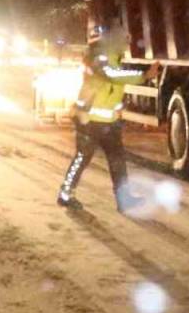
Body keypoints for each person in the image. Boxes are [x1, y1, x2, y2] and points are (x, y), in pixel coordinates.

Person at [57, 26, 158, 212]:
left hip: (108, 123)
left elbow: (114, 87)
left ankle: (124, 199)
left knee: (117, 160)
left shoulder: (114, 60)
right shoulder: (98, 58)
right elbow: (111, 76)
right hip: (88, 120)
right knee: (82, 158)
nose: (127, 45)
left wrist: (118, 114)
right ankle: (65, 193)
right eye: (124, 41)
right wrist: (143, 75)